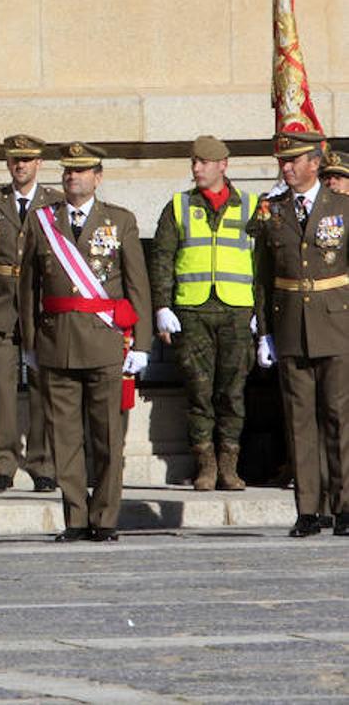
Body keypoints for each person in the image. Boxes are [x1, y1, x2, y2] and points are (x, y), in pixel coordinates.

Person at [19, 143, 152, 542]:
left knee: (107, 436)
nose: (71, 177)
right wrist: (29, 343)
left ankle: (106, 516)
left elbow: (137, 286)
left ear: (98, 176)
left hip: (104, 344)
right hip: (56, 343)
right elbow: (28, 289)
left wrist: (140, 344)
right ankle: (75, 516)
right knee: (64, 437)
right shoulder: (42, 222)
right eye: (67, 172)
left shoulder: (120, 221)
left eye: (80, 171)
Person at [250, 131, 349, 538]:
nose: (286, 168)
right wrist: (265, 332)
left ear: (315, 163)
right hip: (291, 325)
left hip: (337, 323)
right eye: (283, 162)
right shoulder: (271, 212)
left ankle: (344, 506)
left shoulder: (342, 206)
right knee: (299, 420)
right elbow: (262, 277)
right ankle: (309, 508)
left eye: (294, 161)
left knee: (339, 416)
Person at [149, 135, 257, 492]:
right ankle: (206, 465)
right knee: (198, 392)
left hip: (237, 312)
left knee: (233, 392)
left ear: (223, 165)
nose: (196, 168)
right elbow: (162, 257)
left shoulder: (252, 207)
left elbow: (264, 261)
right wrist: (162, 306)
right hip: (192, 311)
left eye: (204, 162)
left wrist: (262, 314)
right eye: (194, 162)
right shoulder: (178, 206)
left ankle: (229, 465)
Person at [0, 135, 62, 493]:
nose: (19, 166)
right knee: (1, 388)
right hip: (1, 302)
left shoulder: (55, 202)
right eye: (14, 160)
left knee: (44, 387)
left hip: (39, 303)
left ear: (38, 164)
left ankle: (42, 464)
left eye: (26, 160)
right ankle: (3, 464)